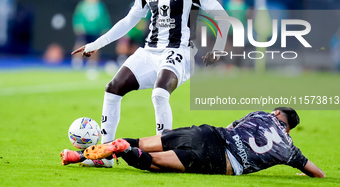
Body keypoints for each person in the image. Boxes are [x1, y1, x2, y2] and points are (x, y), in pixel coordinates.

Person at [71, 0, 230, 167]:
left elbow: (222, 17)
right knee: (112, 88)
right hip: (149, 51)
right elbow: (129, 20)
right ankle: (105, 155)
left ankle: (166, 155)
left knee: (159, 94)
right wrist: (97, 43)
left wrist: (219, 48)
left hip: (179, 51)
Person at [60, 107, 325, 178]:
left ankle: (80, 156)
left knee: (144, 140)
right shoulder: (289, 149)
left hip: (208, 133)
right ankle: (127, 151)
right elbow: (317, 173)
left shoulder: (259, 115)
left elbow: (233, 127)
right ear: (288, 129)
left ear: (276, 115)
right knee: (154, 164)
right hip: (220, 160)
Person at [71, 0, 112, 70]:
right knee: (80, 44)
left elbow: (104, 18)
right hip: (85, 30)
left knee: (95, 46)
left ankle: (92, 64)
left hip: (95, 30)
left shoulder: (100, 6)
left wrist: (105, 28)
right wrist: (78, 25)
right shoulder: (82, 5)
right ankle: (77, 61)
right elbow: (77, 16)